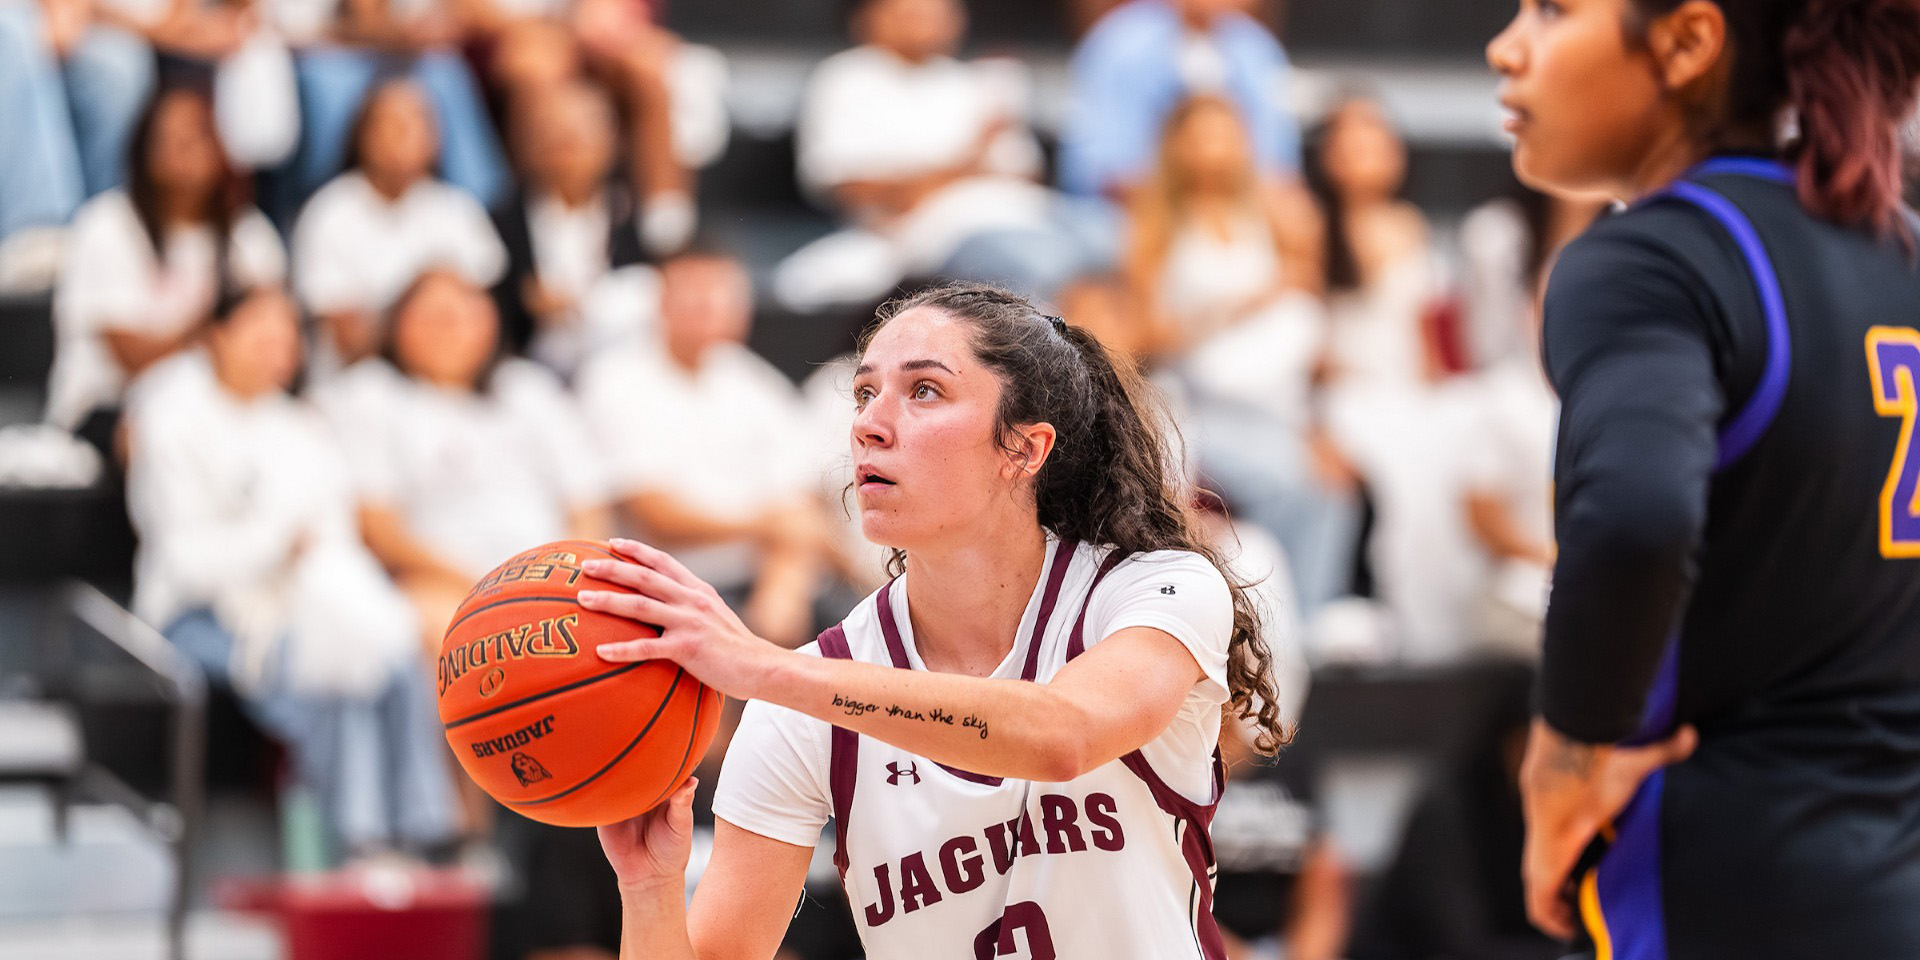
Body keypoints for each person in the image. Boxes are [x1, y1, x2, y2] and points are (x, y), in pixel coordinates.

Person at [576, 283, 1289, 958]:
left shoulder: (1151, 589)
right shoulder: (802, 703)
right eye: (863, 393)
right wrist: (649, 889)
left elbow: (1065, 734)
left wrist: (765, 667)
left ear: (1024, 448)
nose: (868, 424)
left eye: (923, 390)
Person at [1487, 0, 1920, 957]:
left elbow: (1637, 518)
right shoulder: (1903, 252)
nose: (1506, 46)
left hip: (1726, 866)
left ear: (1687, 41)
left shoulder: (1650, 257)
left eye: (1554, 11)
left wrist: (1563, 761)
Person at [124, 285, 456, 862]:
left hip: (300, 602)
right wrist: (275, 542)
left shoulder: (305, 428)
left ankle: (428, 831)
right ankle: (354, 842)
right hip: (194, 614)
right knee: (321, 675)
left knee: (397, 655)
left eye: (286, 338)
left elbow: (332, 544)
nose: (275, 350)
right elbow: (185, 562)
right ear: (219, 335)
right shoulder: (173, 422)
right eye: (261, 334)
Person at [1123, 94, 1354, 616]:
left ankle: (1312, 619)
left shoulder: (1272, 212)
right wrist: (1231, 309)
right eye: (1201, 135)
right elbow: (1142, 339)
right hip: (1200, 402)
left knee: (1334, 488)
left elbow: (1306, 302)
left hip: (1279, 396)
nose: (1215, 149)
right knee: (1285, 483)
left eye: (1225, 133)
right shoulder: (1155, 221)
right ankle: (1263, 616)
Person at [314, 268, 610, 657]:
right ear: (398, 325)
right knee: (453, 635)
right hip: (443, 582)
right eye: (435, 318)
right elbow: (380, 528)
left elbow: (587, 504)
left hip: (554, 583)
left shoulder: (528, 389)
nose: (451, 330)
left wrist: (568, 582)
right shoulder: (373, 394)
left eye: (465, 316)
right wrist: (491, 588)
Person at [577, 251, 830, 649]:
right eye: (697, 296)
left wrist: (784, 580)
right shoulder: (615, 381)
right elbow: (656, 517)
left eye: (724, 297)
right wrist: (765, 525)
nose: (711, 308)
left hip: (765, 577)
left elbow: (805, 498)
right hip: (669, 586)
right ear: (662, 302)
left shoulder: (749, 376)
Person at [777, 0, 1094, 309]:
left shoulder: (972, 81)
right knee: (1051, 269)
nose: (928, 17)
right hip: (933, 236)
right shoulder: (846, 79)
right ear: (867, 17)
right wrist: (969, 162)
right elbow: (858, 189)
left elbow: (1026, 173)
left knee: (1113, 240)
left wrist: (949, 173)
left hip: (1033, 216)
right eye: (912, 10)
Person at [46, 85, 286, 439]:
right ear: (145, 151)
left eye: (198, 137)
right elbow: (130, 358)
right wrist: (210, 333)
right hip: (110, 409)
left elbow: (272, 342)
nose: (185, 152)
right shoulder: (106, 224)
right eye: (172, 140)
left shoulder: (250, 235)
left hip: (218, 409)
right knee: (165, 434)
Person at [291, 77, 506, 374]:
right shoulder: (329, 211)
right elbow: (346, 336)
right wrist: (422, 302)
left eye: (416, 121)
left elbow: (479, 322)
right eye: (389, 122)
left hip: (451, 381)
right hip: (362, 380)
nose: (402, 132)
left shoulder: (459, 210)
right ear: (361, 133)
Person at [491, 80, 659, 375]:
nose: (567, 146)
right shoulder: (501, 220)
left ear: (613, 140)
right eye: (553, 133)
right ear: (527, 142)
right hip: (527, 369)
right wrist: (523, 299)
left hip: (620, 371)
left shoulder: (634, 215)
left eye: (582, 133)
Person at [1059, 0, 1300, 202]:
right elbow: (1097, 166)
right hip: (1132, 213)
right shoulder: (1120, 42)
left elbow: (1278, 165)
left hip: (1237, 212)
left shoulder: (1256, 49)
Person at [0, 0, 154, 283]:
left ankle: (102, 234)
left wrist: (67, 13)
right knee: (15, 36)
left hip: (40, 17)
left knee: (120, 65)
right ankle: (35, 228)